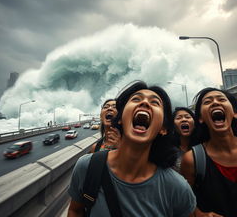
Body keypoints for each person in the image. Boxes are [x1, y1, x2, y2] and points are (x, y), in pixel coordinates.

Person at [68, 81, 196, 217]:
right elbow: (75, 210)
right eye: (136, 99)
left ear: (163, 129)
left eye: (155, 103)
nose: (145, 103)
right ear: (120, 119)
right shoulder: (87, 167)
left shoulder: (178, 189)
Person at [181, 87, 237, 217]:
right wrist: (199, 214)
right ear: (200, 118)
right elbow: (184, 204)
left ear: (234, 113)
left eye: (221, 99)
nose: (215, 103)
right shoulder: (192, 160)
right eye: (207, 102)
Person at [171, 107, 197, 172]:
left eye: (188, 117)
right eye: (178, 118)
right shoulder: (169, 149)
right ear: (173, 126)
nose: (184, 119)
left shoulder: (202, 147)